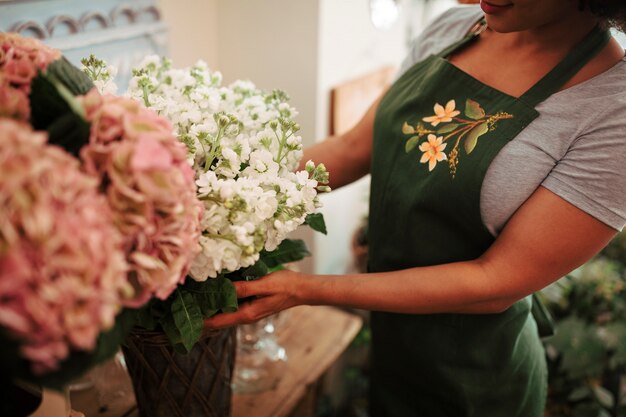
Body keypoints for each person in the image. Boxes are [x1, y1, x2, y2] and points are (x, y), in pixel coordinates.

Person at [205, 1, 626, 415]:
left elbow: (496, 282)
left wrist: (305, 289)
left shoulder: (613, 110)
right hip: (393, 349)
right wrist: (223, 185)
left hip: (477, 384)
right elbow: (352, 148)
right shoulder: (453, 29)